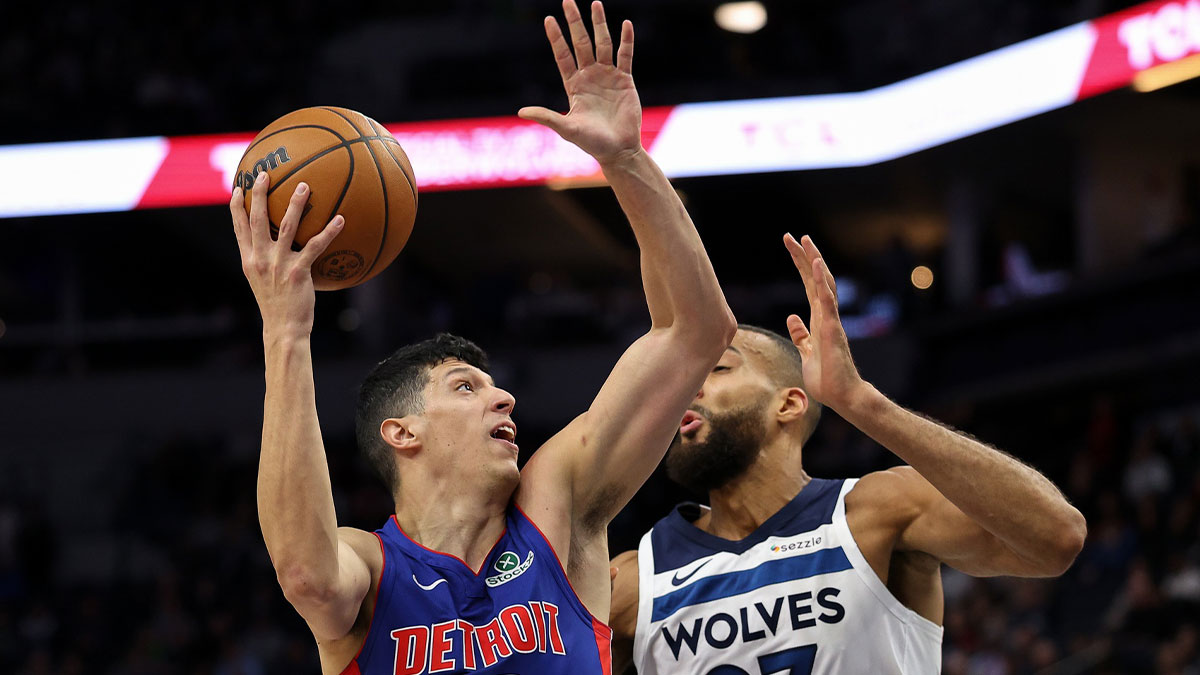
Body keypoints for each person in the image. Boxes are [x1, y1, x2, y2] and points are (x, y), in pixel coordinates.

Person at [227, 2, 736, 673]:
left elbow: (694, 332)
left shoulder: (556, 507)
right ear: (401, 431)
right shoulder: (371, 568)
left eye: (495, 388)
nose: (505, 402)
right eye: (466, 387)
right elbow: (305, 574)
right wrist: (285, 331)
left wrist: (626, 159)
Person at [607, 234, 1088, 674]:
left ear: (789, 403)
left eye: (718, 369)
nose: (691, 387)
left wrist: (861, 402)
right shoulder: (636, 579)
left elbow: (1056, 537)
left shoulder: (877, 513)